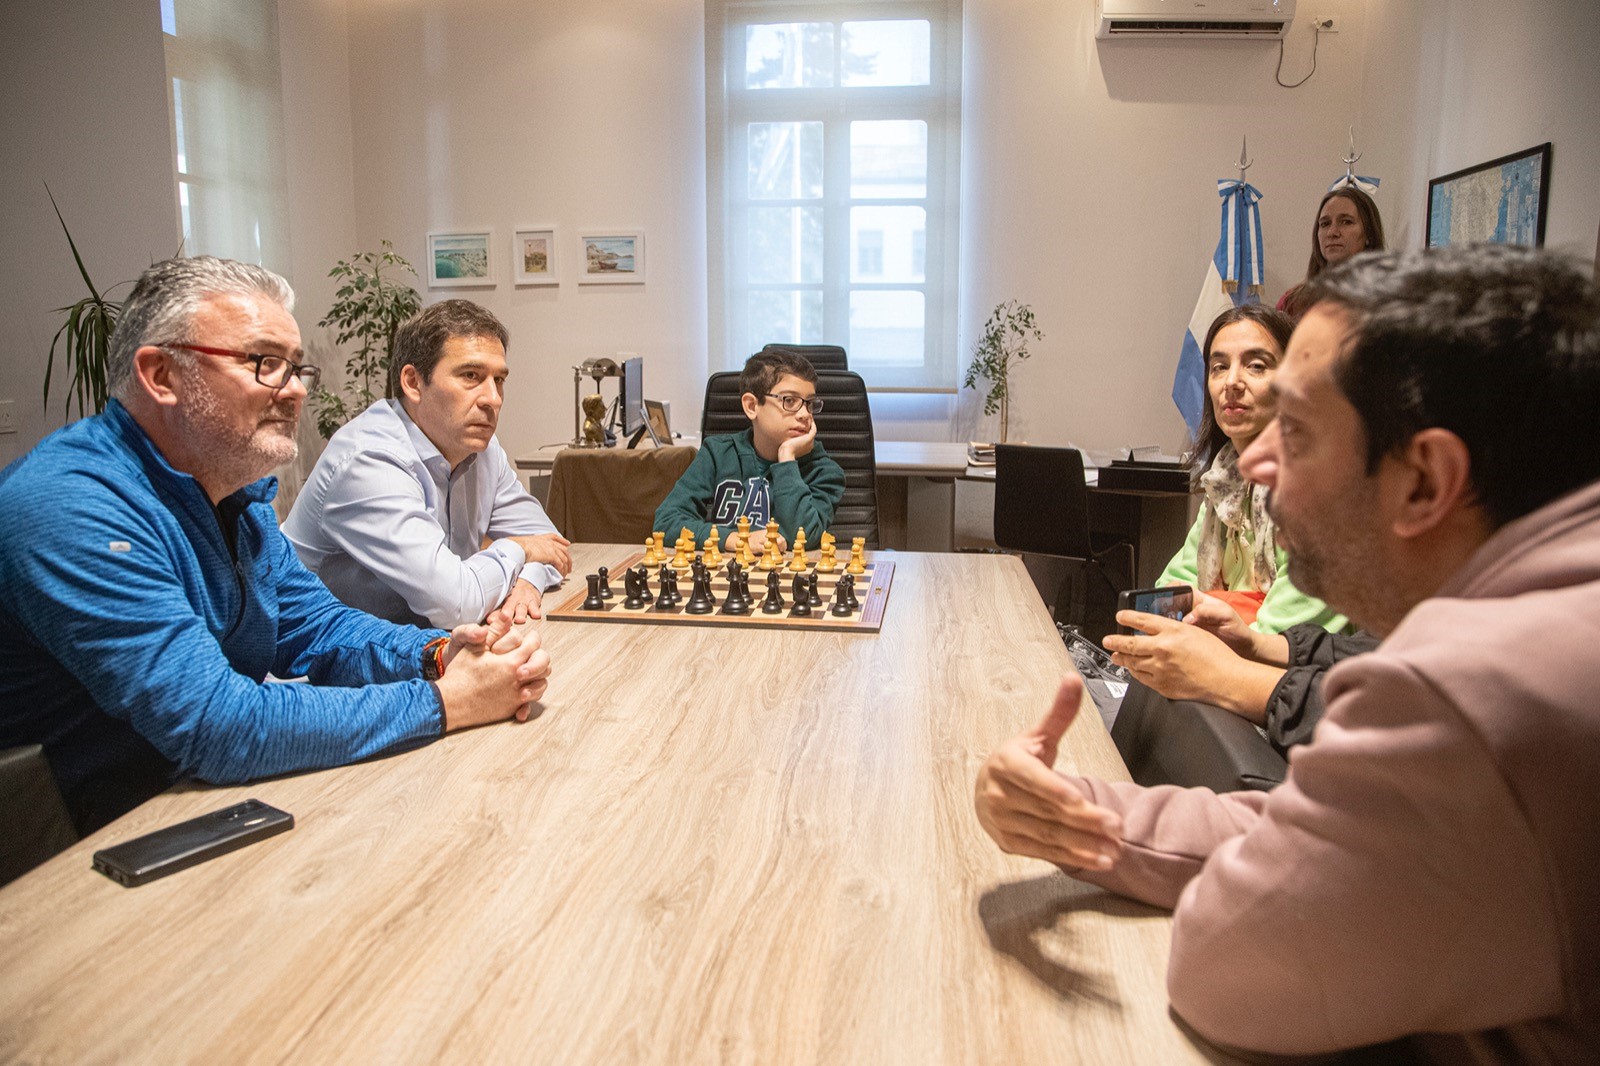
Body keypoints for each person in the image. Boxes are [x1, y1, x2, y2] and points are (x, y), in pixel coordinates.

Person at [976, 244, 1600, 1059]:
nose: (1258, 460)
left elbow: (1230, 969)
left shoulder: (1472, 692)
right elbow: (1317, 831)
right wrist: (1086, 821)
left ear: (1424, 479)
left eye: (1297, 431)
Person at [0, 258, 551, 836]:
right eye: (266, 364)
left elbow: (318, 628)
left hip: (188, 801)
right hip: (78, 851)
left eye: (295, 366)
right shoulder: (71, 507)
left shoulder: (236, 499)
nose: (296, 391)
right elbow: (217, 725)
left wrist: (439, 653)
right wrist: (449, 701)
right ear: (161, 375)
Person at [284, 299, 571, 629]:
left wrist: (528, 581)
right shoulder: (369, 459)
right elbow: (455, 603)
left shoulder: (483, 450)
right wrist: (518, 548)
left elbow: (551, 546)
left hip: (417, 646)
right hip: (321, 666)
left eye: (499, 380)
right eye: (470, 376)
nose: (493, 398)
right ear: (413, 382)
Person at [1149, 303, 1344, 633]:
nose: (1232, 382)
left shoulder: (1320, 488)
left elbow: (1288, 632)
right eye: (1219, 367)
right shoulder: (1224, 480)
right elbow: (1170, 592)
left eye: (1256, 366)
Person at [653, 349, 845, 551]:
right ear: (752, 406)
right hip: (724, 576)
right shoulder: (717, 454)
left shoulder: (825, 472)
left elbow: (803, 537)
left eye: (809, 403)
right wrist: (735, 540)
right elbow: (666, 522)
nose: (805, 414)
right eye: (790, 401)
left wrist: (787, 458)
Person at [1277, 184, 1386, 321]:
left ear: (1369, 233)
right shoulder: (1291, 303)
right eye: (1325, 224)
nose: (1332, 232)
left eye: (1346, 222)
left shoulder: (1388, 301)